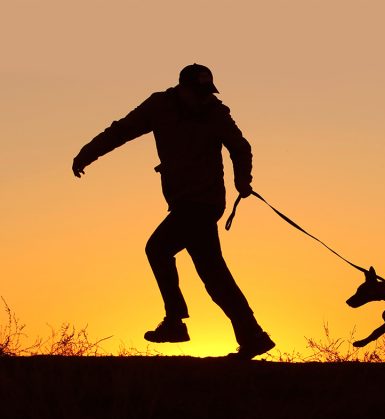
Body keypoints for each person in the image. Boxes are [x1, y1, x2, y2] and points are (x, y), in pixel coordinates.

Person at [72, 64, 275, 360]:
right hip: (183, 201)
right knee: (213, 273)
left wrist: (242, 179)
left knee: (158, 249)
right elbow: (122, 130)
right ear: (183, 88)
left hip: (204, 202)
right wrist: (88, 152)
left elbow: (240, 147)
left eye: (207, 93)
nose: (203, 99)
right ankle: (252, 335)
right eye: (198, 93)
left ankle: (175, 322)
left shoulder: (216, 112)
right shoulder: (160, 106)